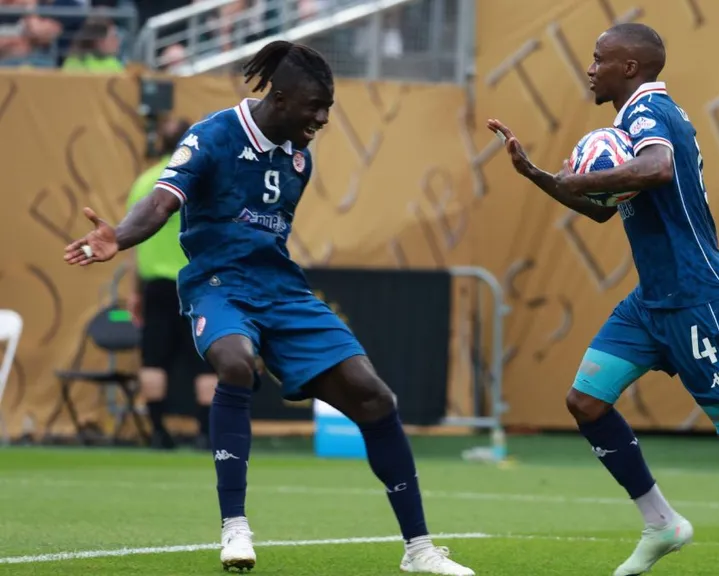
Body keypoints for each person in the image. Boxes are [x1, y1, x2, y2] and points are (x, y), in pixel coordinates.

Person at [63, 40, 474, 576]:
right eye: (314, 107)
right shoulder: (213, 135)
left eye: (328, 107)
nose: (323, 119)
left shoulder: (300, 158)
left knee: (375, 397)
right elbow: (162, 202)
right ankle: (234, 527)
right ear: (279, 99)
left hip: (281, 289)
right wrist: (119, 236)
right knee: (235, 362)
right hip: (218, 283)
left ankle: (419, 550)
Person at [487, 22, 719, 576]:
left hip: (697, 298)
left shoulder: (648, 113)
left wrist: (579, 180)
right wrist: (538, 175)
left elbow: (657, 169)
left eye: (599, 58)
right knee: (586, 401)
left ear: (629, 67)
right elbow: (602, 211)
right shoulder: (632, 123)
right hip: (652, 302)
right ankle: (661, 523)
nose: (590, 68)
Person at [125, 116, 217, 451]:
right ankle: (206, 432)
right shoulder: (203, 180)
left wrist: (134, 291)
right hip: (199, 283)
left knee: (154, 359)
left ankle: (158, 432)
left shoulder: (144, 182)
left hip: (158, 286)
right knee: (206, 360)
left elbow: (134, 240)